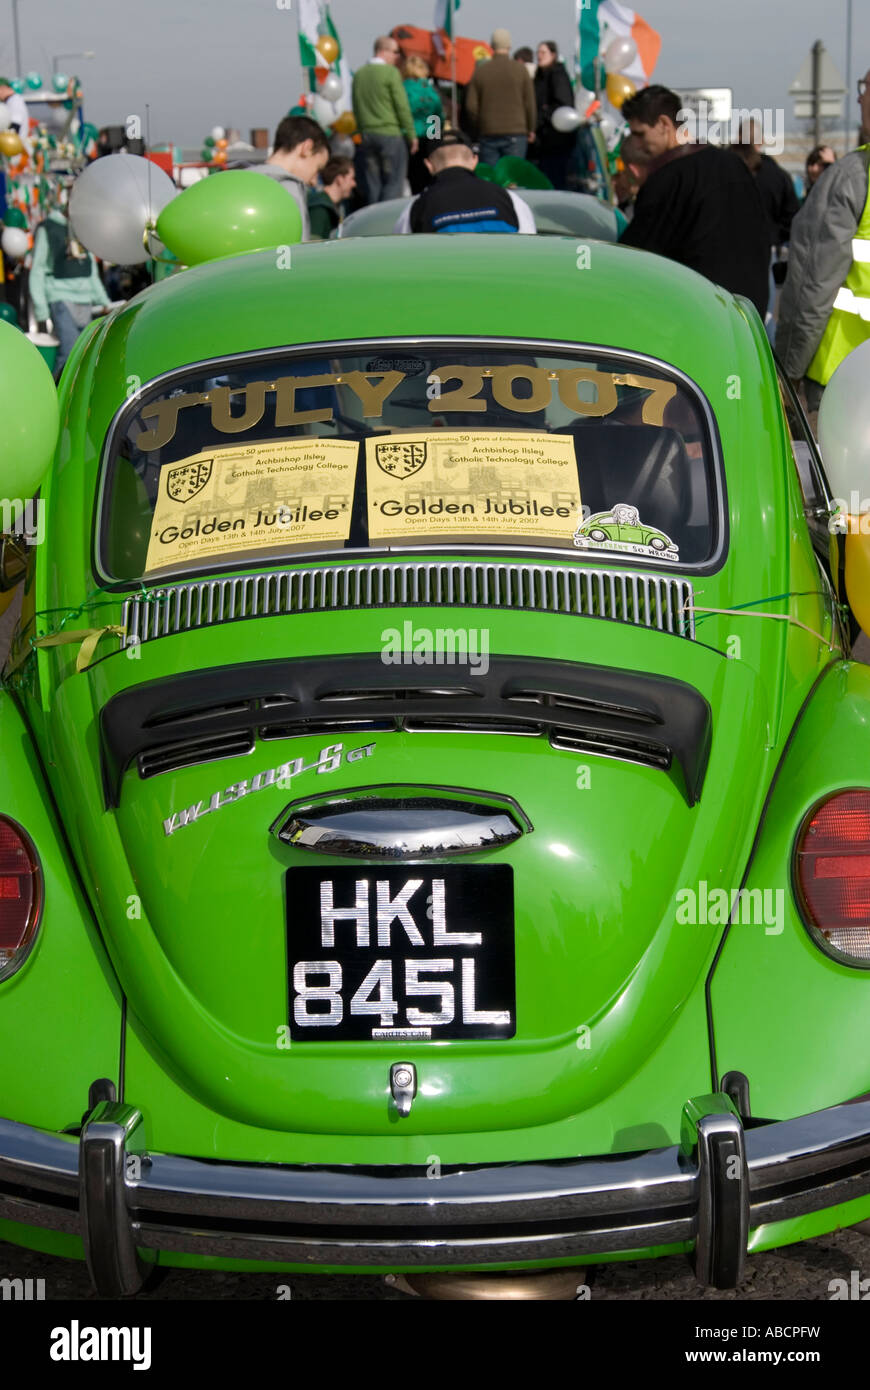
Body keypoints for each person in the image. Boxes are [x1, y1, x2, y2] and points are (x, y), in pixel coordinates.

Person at [618, 85, 769, 318]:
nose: (636, 144)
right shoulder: (733, 164)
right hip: (747, 318)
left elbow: (634, 261)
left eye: (640, 134)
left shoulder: (666, 181)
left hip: (698, 319)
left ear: (664, 125)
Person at [777, 68, 870, 414]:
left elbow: (810, 289)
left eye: (864, 88)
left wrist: (786, 375)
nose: (859, 98)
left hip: (848, 378)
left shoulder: (852, 178)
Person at [733, 120, 800, 344]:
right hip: (765, 252)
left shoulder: (725, 169)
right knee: (765, 317)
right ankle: (767, 363)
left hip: (727, 250)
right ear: (761, 141)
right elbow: (792, 216)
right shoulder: (776, 175)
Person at [394, 131, 536, 234]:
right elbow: (530, 244)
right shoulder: (509, 199)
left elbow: (402, 255)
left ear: (429, 165)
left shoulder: (417, 207)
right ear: (474, 160)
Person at [30, 201, 111, 378]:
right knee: (69, 353)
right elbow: (37, 269)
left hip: (86, 302)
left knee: (84, 355)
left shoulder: (82, 230)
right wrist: (41, 309)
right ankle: (55, 393)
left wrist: (104, 302)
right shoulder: (48, 229)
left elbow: (91, 273)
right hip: (61, 298)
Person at [233, 115, 329, 242]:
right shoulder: (289, 189)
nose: (314, 181)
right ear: (307, 148)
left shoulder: (237, 179)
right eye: (317, 169)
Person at [352, 35, 417, 203]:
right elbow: (402, 106)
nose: (397, 57)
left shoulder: (359, 74)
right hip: (390, 134)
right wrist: (412, 134)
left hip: (367, 135)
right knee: (393, 183)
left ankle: (373, 223)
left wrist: (362, 130)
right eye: (395, 52)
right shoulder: (391, 73)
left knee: (373, 184)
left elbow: (356, 106)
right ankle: (387, 224)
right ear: (384, 51)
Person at [464, 28, 536, 168]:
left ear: (491, 46)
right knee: (513, 178)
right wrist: (531, 128)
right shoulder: (520, 70)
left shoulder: (481, 71)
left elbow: (471, 106)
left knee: (493, 181)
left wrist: (481, 124)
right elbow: (530, 104)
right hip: (517, 133)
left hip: (488, 132)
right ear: (509, 46)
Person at [533, 41, 575, 189]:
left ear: (553, 55)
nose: (539, 56)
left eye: (543, 52)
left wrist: (543, 115)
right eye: (538, 53)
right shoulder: (540, 77)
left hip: (556, 141)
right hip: (544, 141)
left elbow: (563, 105)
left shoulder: (557, 75)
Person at [403, 54, 444, 194]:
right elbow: (438, 114)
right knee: (431, 177)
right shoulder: (431, 89)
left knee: (414, 180)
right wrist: (436, 139)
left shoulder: (404, 88)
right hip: (430, 136)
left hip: (411, 139)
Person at [307, 157, 356, 239]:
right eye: (351, 179)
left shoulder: (334, 207)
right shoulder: (320, 209)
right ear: (339, 179)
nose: (354, 184)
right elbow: (312, 245)